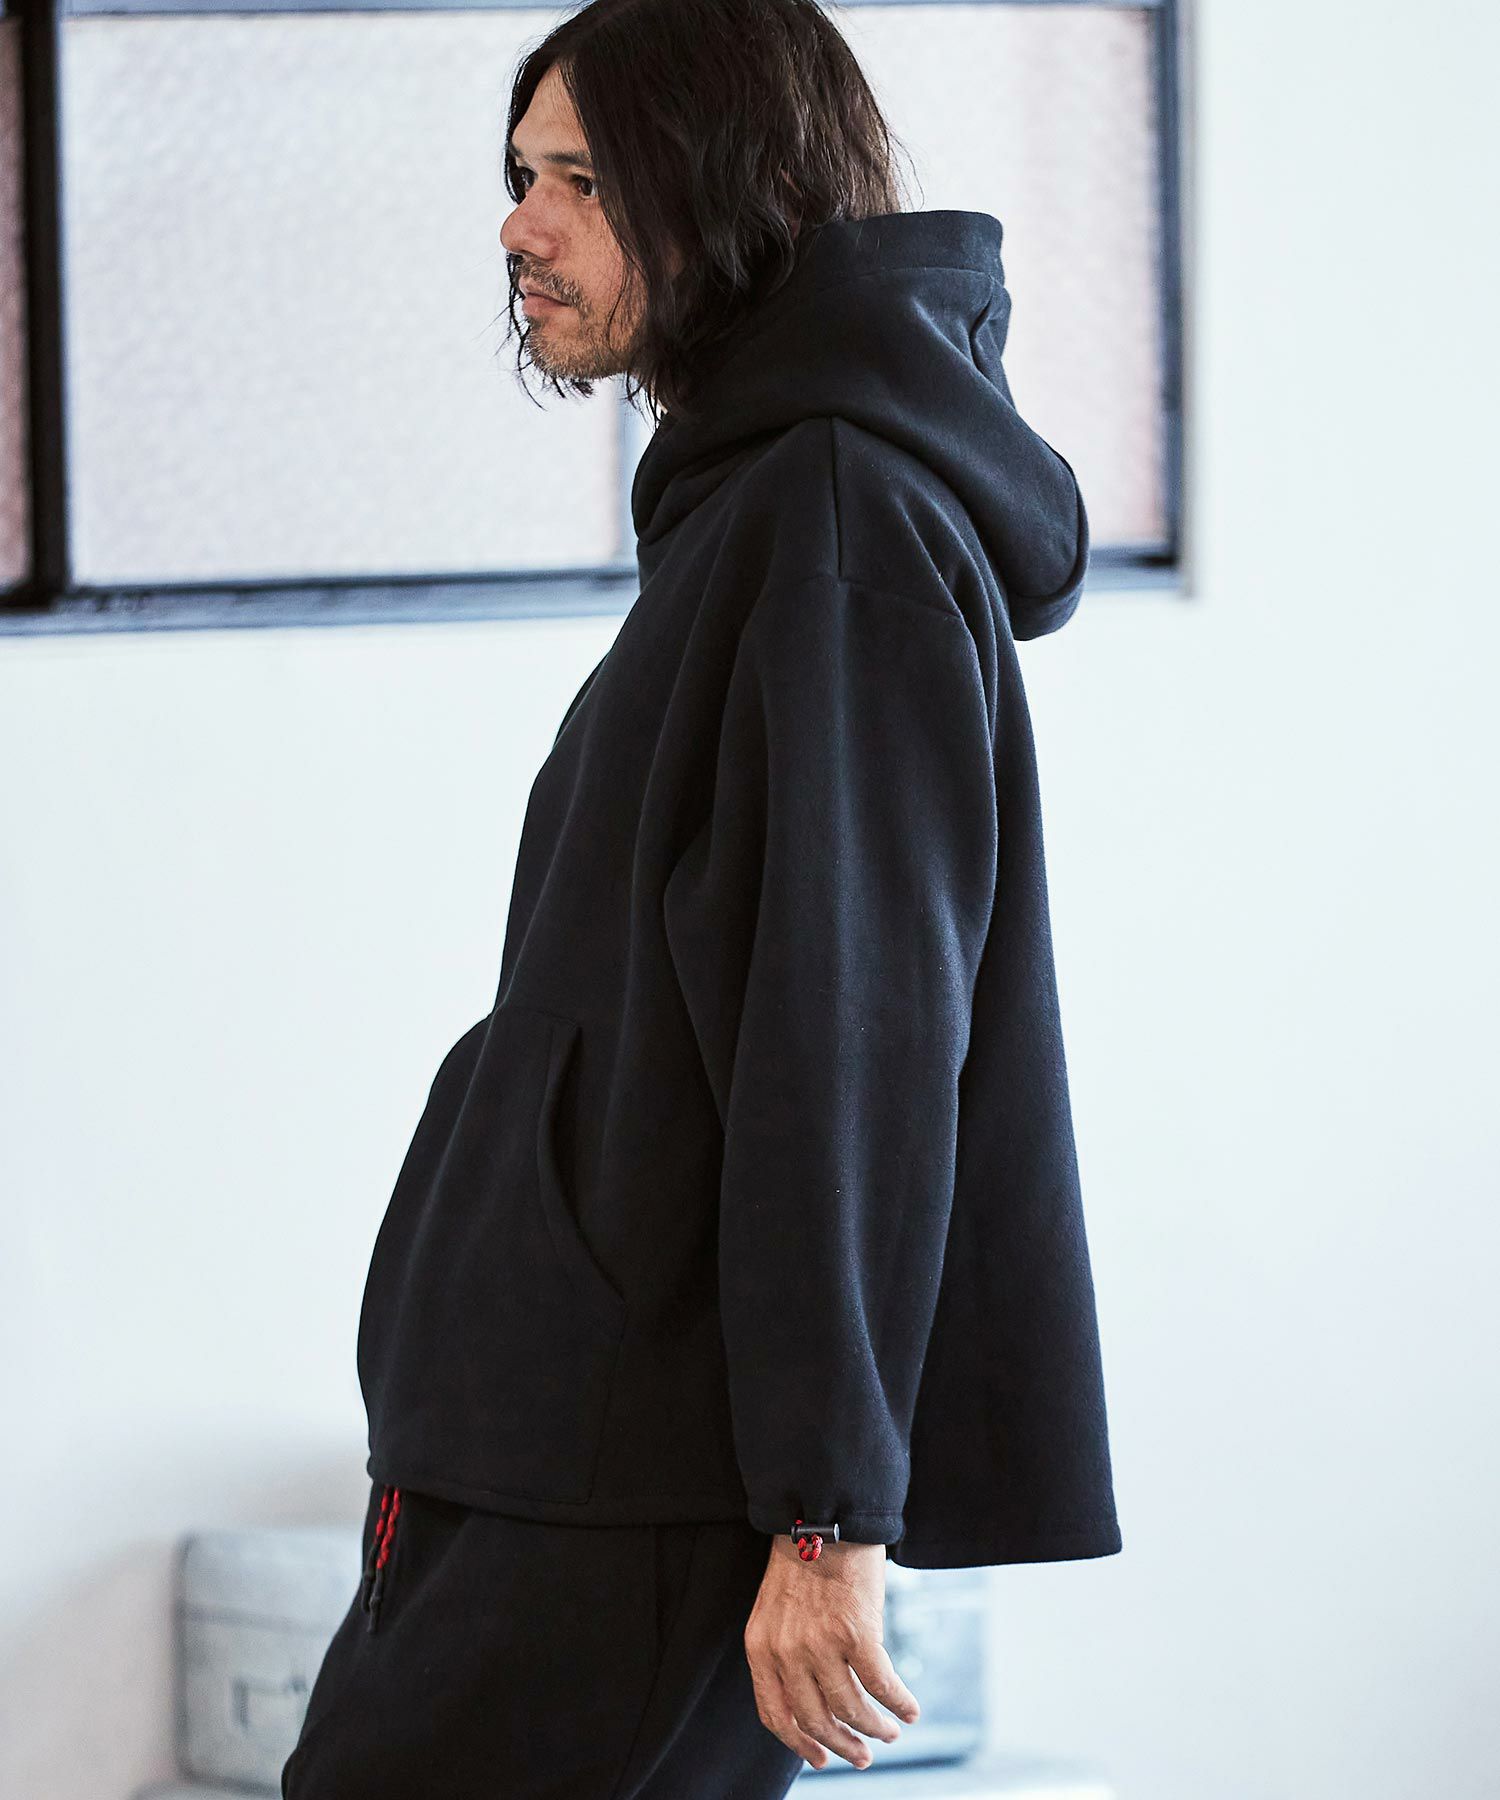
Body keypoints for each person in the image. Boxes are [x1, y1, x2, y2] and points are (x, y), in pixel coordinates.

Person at [282, 0, 1121, 1794]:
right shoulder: (761, 505)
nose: (521, 224)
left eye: (584, 181)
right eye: (523, 173)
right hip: (556, 1442)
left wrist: (827, 1516)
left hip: (628, 1474)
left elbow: (853, 1032)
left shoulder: (836, 519)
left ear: (728, 188)